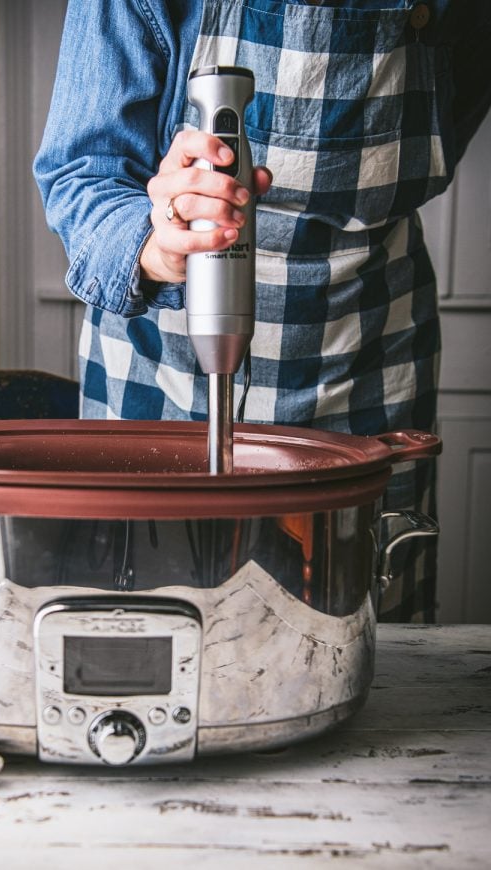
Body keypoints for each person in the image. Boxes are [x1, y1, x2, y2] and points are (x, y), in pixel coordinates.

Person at [33, 0, 491, 621]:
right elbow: (82, 170)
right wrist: (157, 244)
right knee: (147, 623)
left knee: (352, 622)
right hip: (157, 368)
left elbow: (448, 119)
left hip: (366, 354)